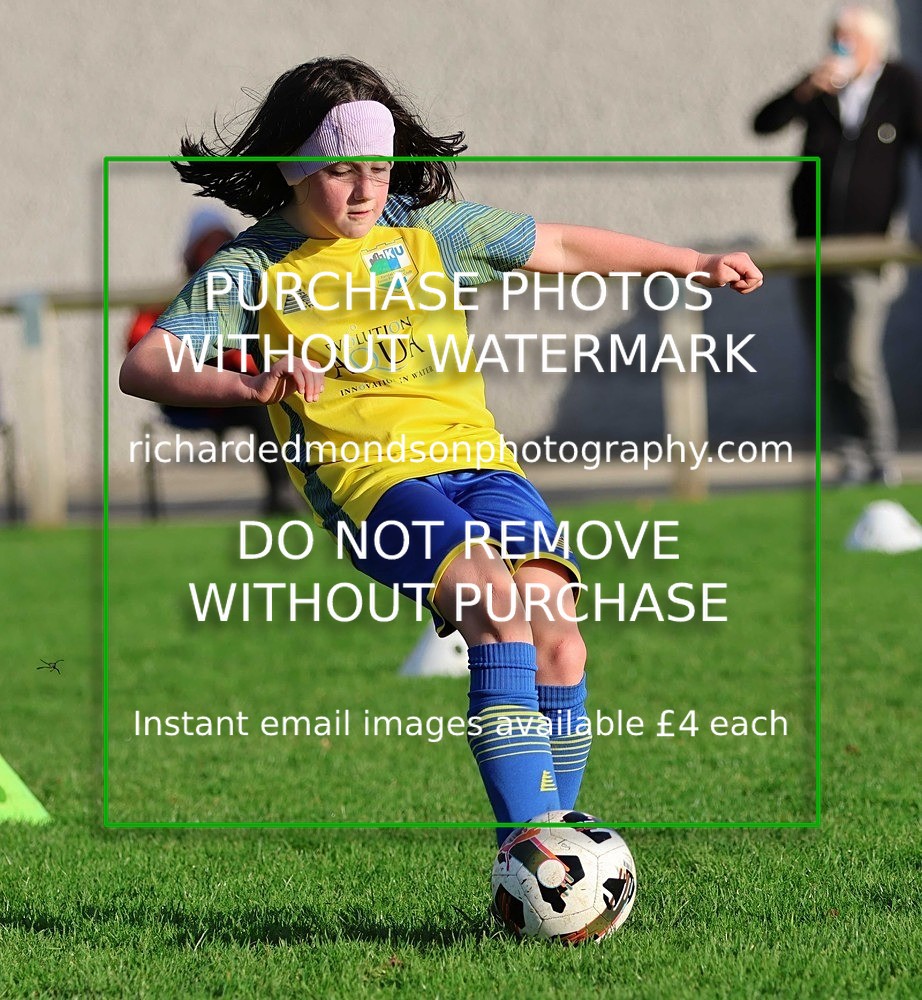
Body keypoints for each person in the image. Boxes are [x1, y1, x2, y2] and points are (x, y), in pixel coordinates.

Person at [120, 56, 762, 841]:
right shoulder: (252, 267)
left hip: (484, 466)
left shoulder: (427, 234)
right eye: (342, 170)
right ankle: (535, 854)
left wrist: (690, 263)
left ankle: (547, 844)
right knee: (496, 606)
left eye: (380, 168)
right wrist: (252, 383)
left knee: (558, 640)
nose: (366, 188)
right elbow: (146, 365)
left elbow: (559, 246)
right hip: (373, 486)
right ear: (292, 166)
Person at [753, 4, 922, 486]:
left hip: (868, 250)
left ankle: (880, 456)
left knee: (858, 361)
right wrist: (806, 88)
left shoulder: (900, 85)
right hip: (812, 247)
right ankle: (849, 458)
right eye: (835, 36)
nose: (839, 45)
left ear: (873, 42)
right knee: (827, 363)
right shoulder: (821, 87)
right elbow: (763, 123)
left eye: (848, 37)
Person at [126, 209, 297, 514]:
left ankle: (291, 491)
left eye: (224, 244)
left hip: (240, 389)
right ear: (192, 253)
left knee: (274, 403)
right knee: (264, 405)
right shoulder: (174, 299)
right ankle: (283, 493)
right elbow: (140, 347)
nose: (218, 254)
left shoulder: (251, 291)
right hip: (188, 397)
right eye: (209, 245)